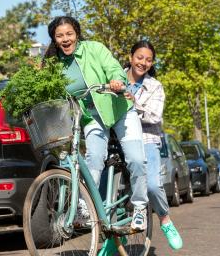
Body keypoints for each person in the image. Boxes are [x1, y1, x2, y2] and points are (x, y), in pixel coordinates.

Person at [44, 16, 149, 236]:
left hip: (119, 109)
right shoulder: (54, 65)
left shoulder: (94, 49)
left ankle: (140, 206)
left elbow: (114, 69)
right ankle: (85, 207)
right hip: (91, 117)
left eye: (69, 34)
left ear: (77, 34)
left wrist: (116, 81)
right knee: (92, 159)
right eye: (60, 35)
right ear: (54, 39)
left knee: (136, 159)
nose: (65, 39)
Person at [125, 40, 183, 250]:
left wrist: (133, 102)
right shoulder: (116, 78)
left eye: (148, 60)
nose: (143, 62)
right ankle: (114, 238)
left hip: (147, 139)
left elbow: (155, 116)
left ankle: (165, 220)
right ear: (130, 57)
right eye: (140, 57)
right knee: (112, 190)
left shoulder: (155, 86)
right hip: (119, 141)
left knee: (151, 185)